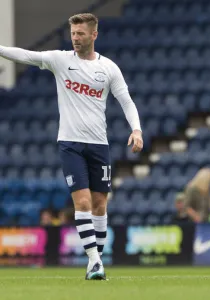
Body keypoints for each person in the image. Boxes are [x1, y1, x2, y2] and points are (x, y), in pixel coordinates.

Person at [0, 13, 143, 280]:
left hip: (99, 144)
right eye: (73, 33)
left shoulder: (108, 68)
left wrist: (136, 129)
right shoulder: (60, 60)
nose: (75, 38)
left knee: (100, 205)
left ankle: (95, 263)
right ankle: (94, 261)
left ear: (94, 35)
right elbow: (25, 55)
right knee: (84, 201)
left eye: (80, 34)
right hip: (70, 144)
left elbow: (126, 101)